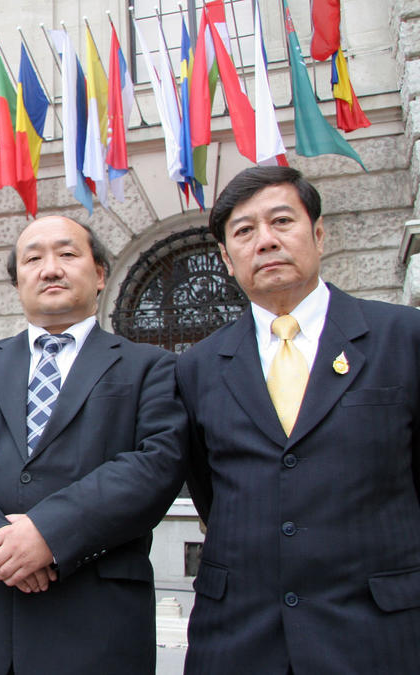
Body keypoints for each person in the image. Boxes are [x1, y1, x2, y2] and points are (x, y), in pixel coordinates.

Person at [0, 215, 187, 674]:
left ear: (99, 274)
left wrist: (47, 533)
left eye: (67, 253)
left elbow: (156, 463)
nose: (50, 268)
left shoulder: (150, 368)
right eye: (33, 258)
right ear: (18, 281)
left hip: (97, 622)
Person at [178, 165, 420, 673]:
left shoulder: (403, 338)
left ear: (319, 233)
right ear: (226, 258)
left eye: (281, 221)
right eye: (243, 232)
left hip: (379, 632)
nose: (264, 241)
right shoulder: (198, 367)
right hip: (240, 637)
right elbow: (209, 488)